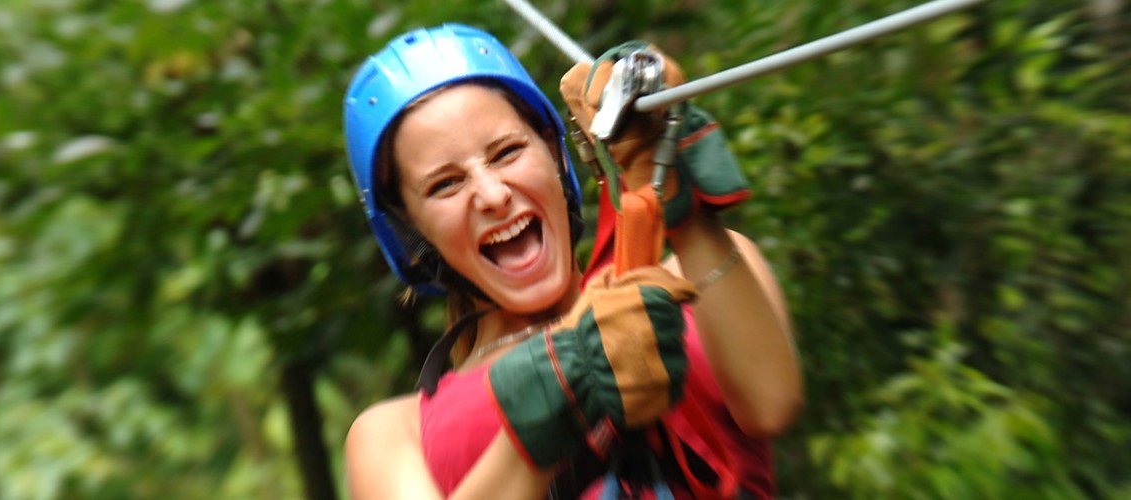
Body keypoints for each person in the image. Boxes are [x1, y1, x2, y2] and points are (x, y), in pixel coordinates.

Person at [342, 23, 802, 499]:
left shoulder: (693, 278)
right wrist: (558, 395)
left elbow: (771, 403)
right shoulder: (393, 433)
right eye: (446, 184)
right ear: (411, 233)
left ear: (555, 155)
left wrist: (676, 190)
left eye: (507, 152)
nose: (493, 196)